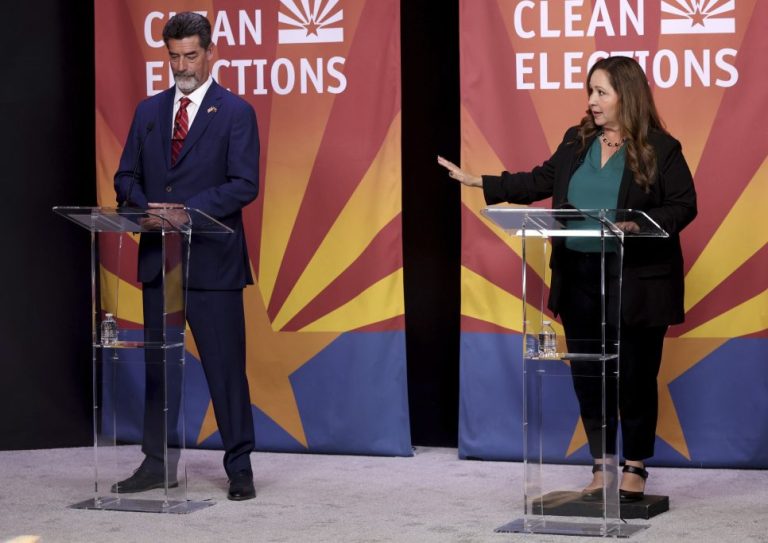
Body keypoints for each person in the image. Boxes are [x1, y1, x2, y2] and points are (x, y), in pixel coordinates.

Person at [438, 56, 697, 502]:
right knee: (588, 377)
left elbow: (683, 205)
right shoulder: (577, 142)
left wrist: (635, 225)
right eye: (590, 92)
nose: (592, 102)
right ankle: (602, 467)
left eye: (601, 93)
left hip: (634, 281)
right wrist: (479, 181)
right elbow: (540, 180)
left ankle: (635, 466)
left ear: (626, 96)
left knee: (634, 376)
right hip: (577, 277)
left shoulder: (661, 148)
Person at [113, 12, 259, 501]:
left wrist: (185, 212)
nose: (182, 65)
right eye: (174, 55)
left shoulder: (235, 112)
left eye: (191, 55)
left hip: (213, 262)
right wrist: (143, 209)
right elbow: (125, 178)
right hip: (161, 260)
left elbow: (244, 184)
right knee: (160, 369)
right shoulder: (148, 112)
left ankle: (240, 466)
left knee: (225, 369)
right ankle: (157, 464)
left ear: (211, 52)